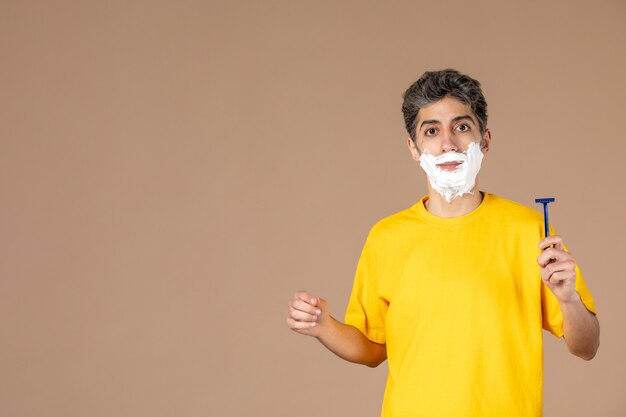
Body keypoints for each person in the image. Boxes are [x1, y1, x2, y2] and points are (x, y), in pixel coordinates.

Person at [286, 69, 599, 416]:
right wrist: (323, 327)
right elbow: (372, 349)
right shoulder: (387, 237)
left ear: (485, 141)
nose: (448, 143)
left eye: (462, 127)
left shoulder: (529, 230)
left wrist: (568, 299)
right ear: (414, 148)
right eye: (431, 130)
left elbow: (586, 346)